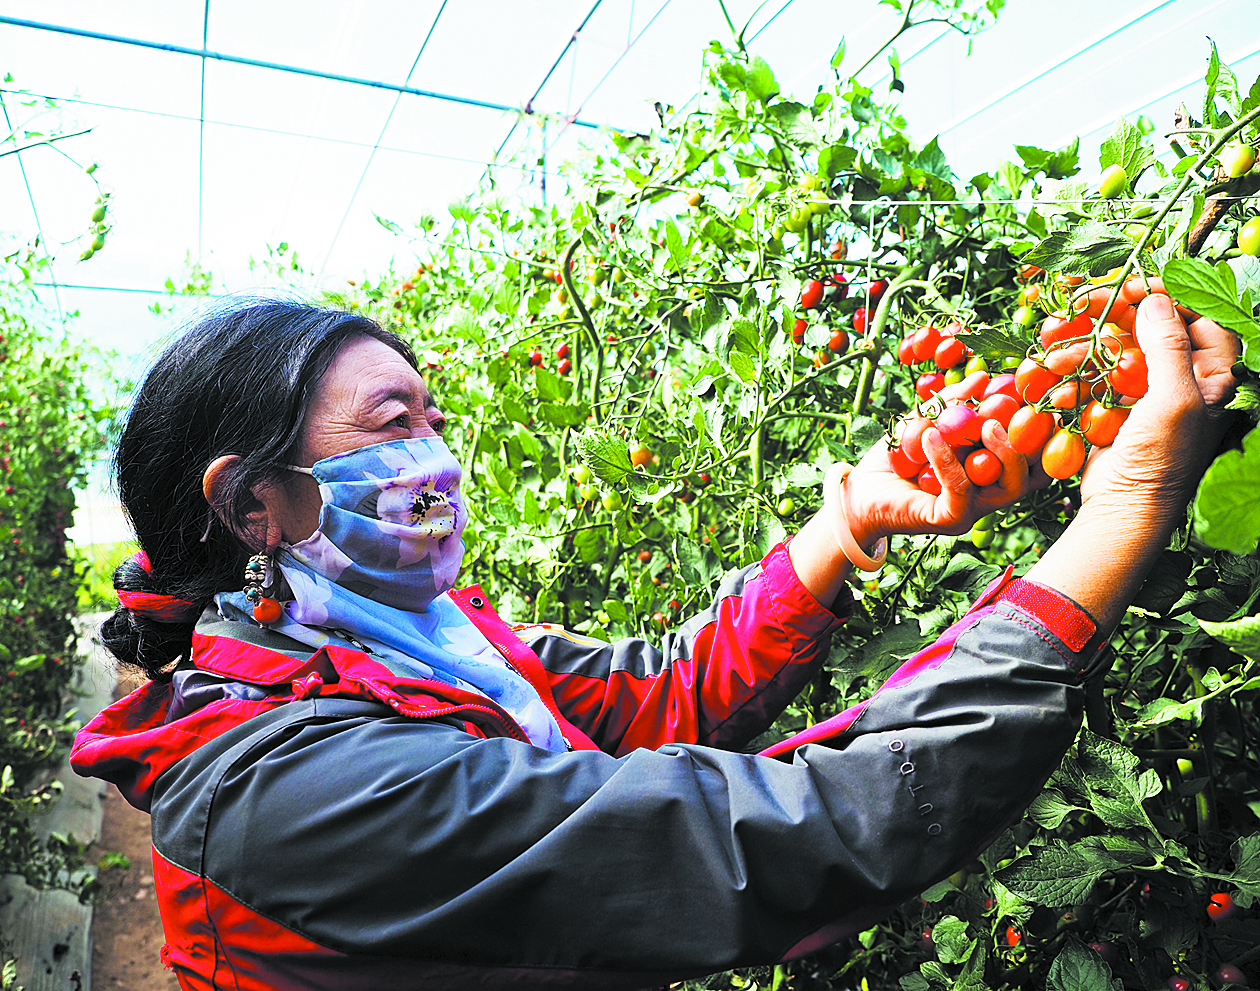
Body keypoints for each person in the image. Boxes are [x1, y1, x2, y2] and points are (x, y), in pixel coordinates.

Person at [72, 292, 1236, 991]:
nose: (439, 456)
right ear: (254, 503)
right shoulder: (286, 784)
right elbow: (758, 835)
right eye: (393, 424)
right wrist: (1126, 505)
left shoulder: (428, 644)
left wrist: (845, 523)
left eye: (434, 417)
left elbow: (662, 693)